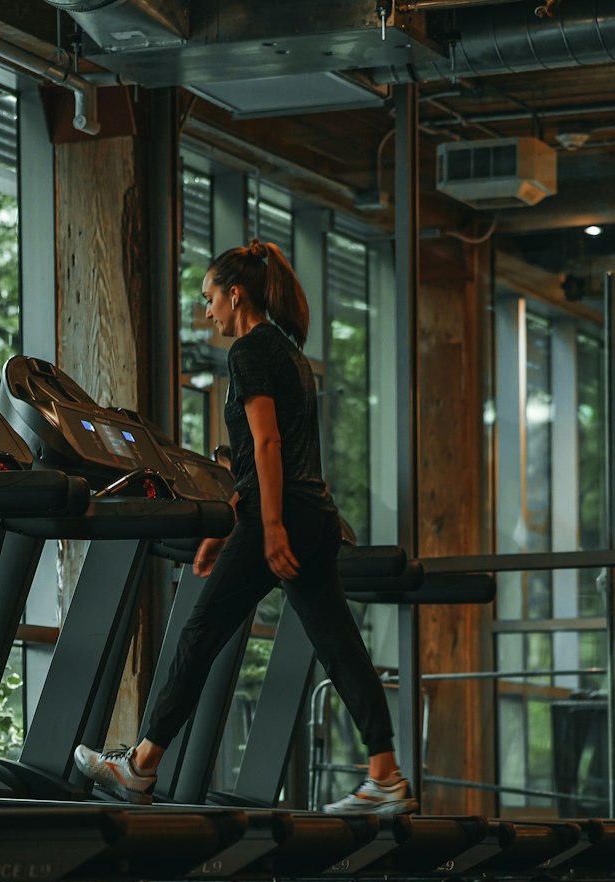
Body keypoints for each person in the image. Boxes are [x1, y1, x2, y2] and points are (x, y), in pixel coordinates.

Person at [74, 238, 417, 816]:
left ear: (236, 295)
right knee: (338, 644)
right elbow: (262, 464)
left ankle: (140, 766)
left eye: (210, 298)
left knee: (200, 633)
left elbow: (267, 443)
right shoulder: (289, 352)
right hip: (313, 515)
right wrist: (227, 524)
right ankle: (385, 775)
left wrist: (271, 527)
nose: (207, 311)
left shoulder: (250, 352)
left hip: (282, 518)